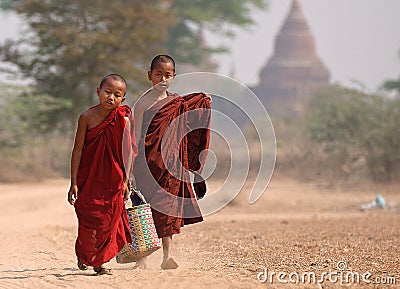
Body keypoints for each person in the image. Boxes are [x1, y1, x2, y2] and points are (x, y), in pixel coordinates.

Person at [132, 54, 211, 270]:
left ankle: (168, 256)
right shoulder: (141, 105)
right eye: (158, 75)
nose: (163, 79)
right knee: (143, 210)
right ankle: (142, 258)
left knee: (167, 210)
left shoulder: (177, 103)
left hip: (170, 166)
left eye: (168, 75)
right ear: (150, 76)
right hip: (146, 165)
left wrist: (203, 101)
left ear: (174, 76)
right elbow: (134, 138)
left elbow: (189, 125)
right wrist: (130, 169)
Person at [67, 74, 137, 275]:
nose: (111, 98)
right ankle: (85, 252)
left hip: (114, 178)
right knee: (89, 217)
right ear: (98, 92)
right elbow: (78, 150)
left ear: (122, 99)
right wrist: (74, 182)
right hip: (88, 177)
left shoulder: (123, 119)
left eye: (117, 95)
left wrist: (126, 180)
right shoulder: (86, 117)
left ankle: (98, 263)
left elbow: (128, 152)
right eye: (107, 92)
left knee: (107, 220)